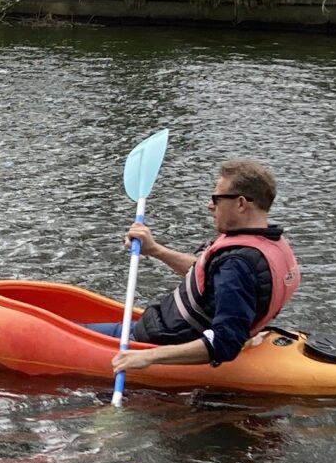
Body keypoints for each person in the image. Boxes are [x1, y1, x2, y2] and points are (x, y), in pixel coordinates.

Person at [111, 157, 300, 373]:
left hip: (153, 342)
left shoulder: (236, 265)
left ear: (240, 203)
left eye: (216, 198)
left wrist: (148, 357)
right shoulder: (268, 242)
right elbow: (207, 275)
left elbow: (224, 342)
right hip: (160, 329)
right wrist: (155, 250)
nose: (210, 205)